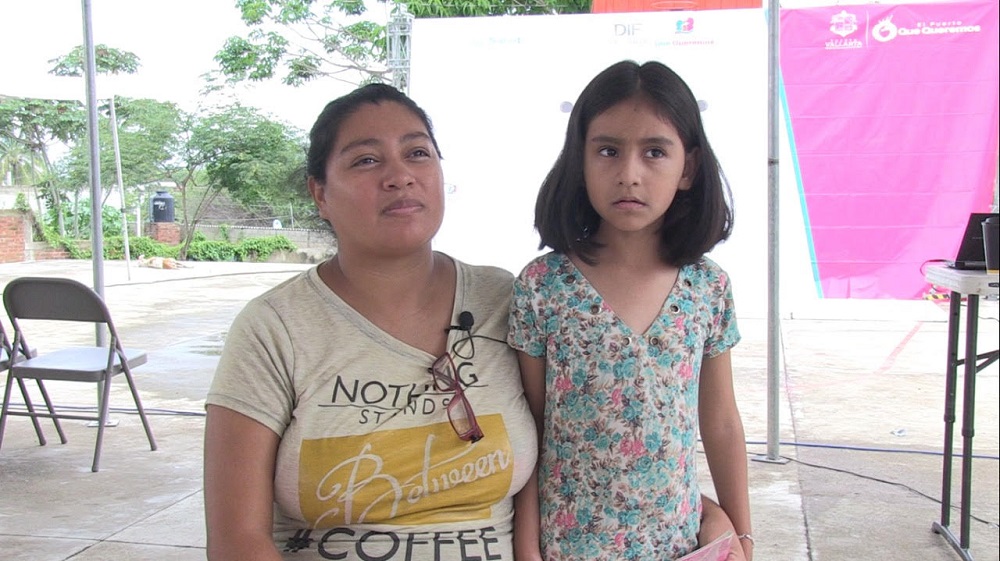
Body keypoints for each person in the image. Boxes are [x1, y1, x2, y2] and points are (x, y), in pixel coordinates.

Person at [202, 83, 539, 561]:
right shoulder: (275, 328)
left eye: (417, 153)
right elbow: (237, 541)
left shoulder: (504, 300)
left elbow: (555, 461)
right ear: (320, 193)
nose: (400, 176)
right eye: (366, 160)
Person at [509, 60, 753, 561]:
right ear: (579, 161)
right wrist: (527, 549)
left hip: (679, 545)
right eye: (608, 151)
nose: (629, 174)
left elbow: (722, 422)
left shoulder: (707, 288)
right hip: (568, 548)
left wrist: (742, 537)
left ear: (688, 169)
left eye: (655, 152)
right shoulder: (543, 287)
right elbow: (531, 429)